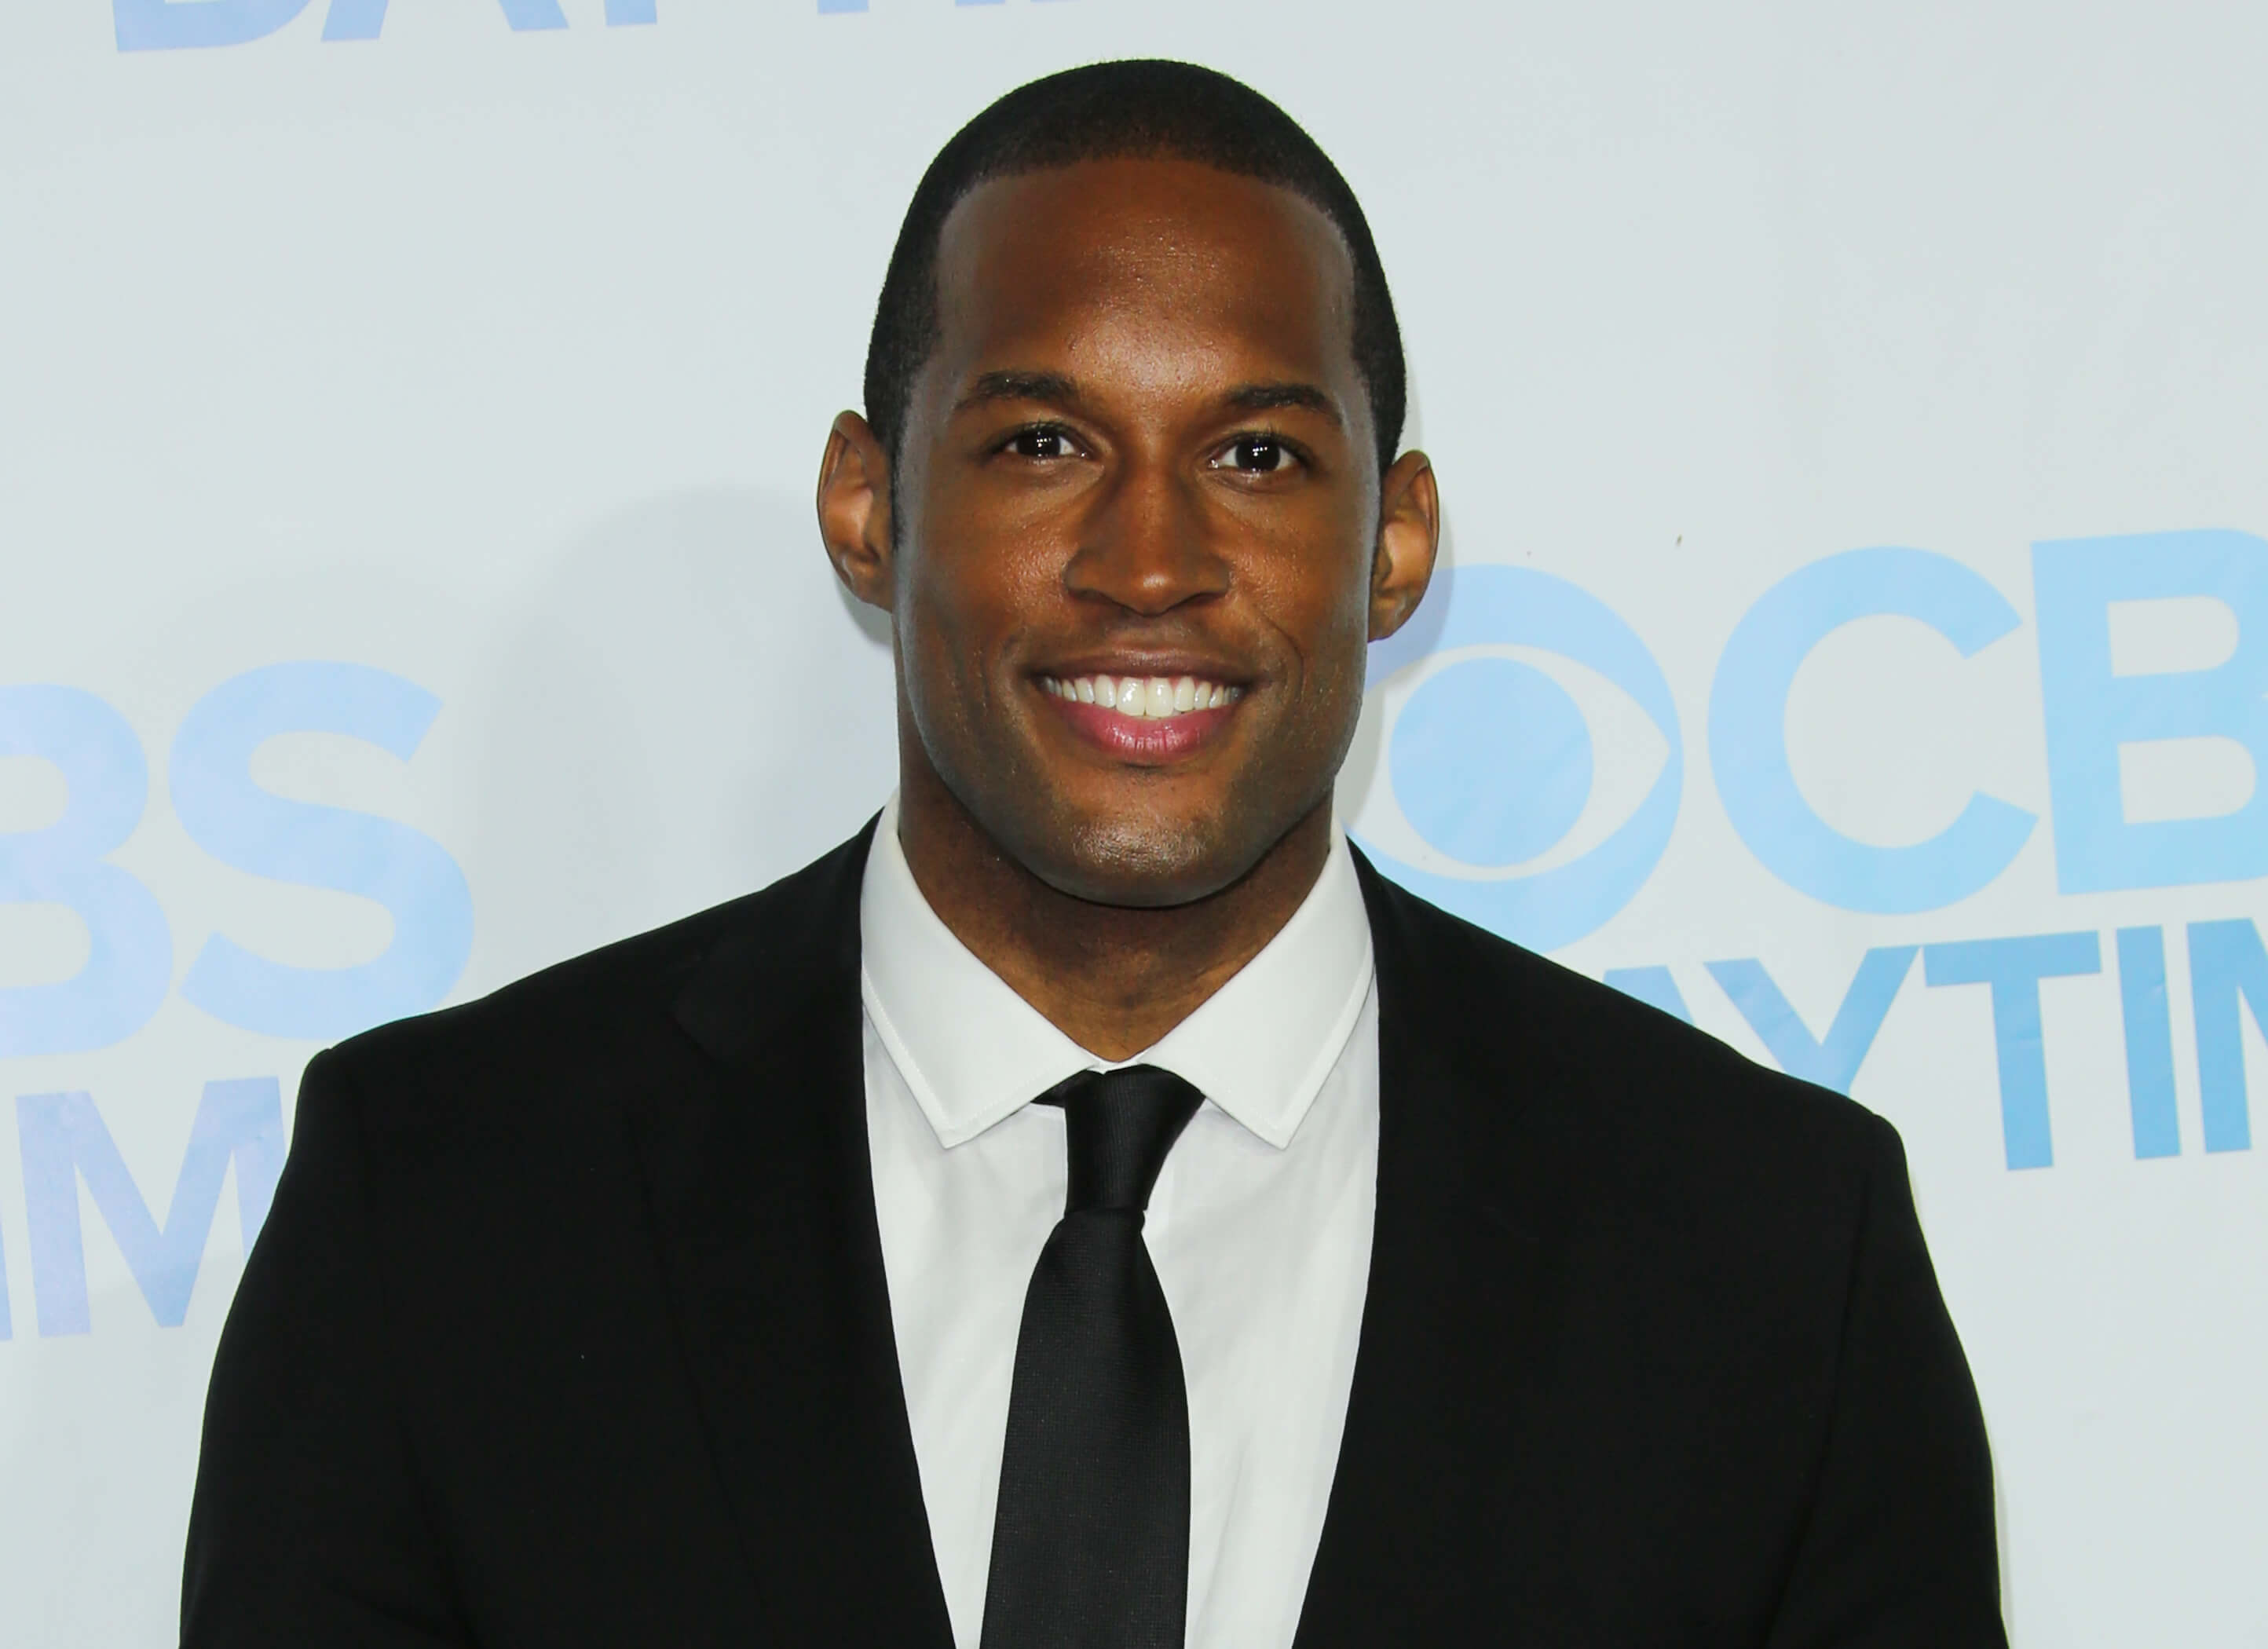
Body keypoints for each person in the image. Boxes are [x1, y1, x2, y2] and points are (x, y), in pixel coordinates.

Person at [181, 59, 2006, 1649]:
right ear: (868, 502)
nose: (1152, 560)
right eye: (1046, 441)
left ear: (1398, 541)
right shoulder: (441, 1207)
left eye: (1265, 457)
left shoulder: (1766, 1254)